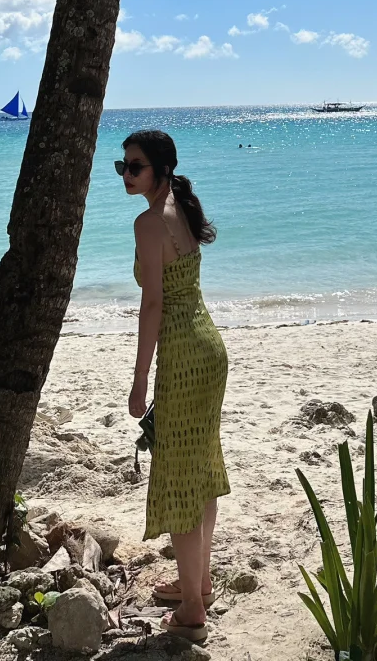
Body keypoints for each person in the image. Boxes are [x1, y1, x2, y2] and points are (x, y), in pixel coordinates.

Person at [119, 129, 229, 644]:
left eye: (134, 166)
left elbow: (154, 306)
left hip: (184, 356)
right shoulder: (181, 208)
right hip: (210, 348)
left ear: (160, 169)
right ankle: (199, 582)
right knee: (202, 470)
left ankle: (191, 608)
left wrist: (140, 379)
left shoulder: (148, 222)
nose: (126, 174)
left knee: (183, 479)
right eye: (122, 166)